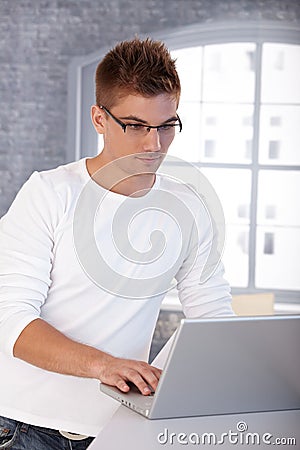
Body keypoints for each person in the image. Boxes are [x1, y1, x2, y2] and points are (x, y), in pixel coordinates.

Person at [0, 38, 233, 449]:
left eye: (166, 126)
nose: (153, 145)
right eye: (136, 126)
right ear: (99, 118)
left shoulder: (188, 207)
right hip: (23, 428)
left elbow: (212, 315)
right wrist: (103, 365)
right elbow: (11, 322)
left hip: (118, 430)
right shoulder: (49, 194)